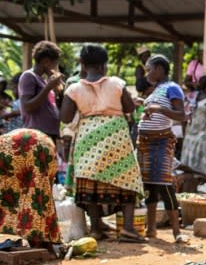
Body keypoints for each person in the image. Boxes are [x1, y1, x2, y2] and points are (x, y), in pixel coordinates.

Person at [59, 44, 145, 243]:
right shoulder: (117, 83)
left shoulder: (74, 88)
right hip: (116, 135)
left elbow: (65, 117)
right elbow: (130, 107)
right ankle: (128, 229)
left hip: (88, 136)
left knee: (91, 180)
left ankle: (96, 227)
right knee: (126, 179)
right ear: (104, 65)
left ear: (82, 64)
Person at [136, 54, 188, 243]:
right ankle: (151, 230)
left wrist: (158, 110)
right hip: (145, 143)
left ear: (160, 69)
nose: (148, 73)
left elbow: (181, 115)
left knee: (164, 184)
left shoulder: (172, 88)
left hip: (161, 142)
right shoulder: (156, 90)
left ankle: (176, 232)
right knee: (149, 185)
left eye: (150, 69)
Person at [0, 128, 61, 251]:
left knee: (33, 192)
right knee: (35, 192)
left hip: (25, 146)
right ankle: (41, 242)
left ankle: (40, 243)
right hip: (41, 141)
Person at [19, 40, 63, 143]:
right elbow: (27, 107)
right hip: (37, 134)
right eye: (55, 63)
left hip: (48, 133)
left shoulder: (43, 79)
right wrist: (48, 87)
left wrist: (56, 89)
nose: (55, 67)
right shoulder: (28, 76)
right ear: (46, 62)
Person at [180, 75, 206, 176]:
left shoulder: (190, 98)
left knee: (188, 168)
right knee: (202, 170)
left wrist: (184, 135)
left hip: (189, 138)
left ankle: (187, 187)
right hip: (204, 140)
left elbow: (183, 119)